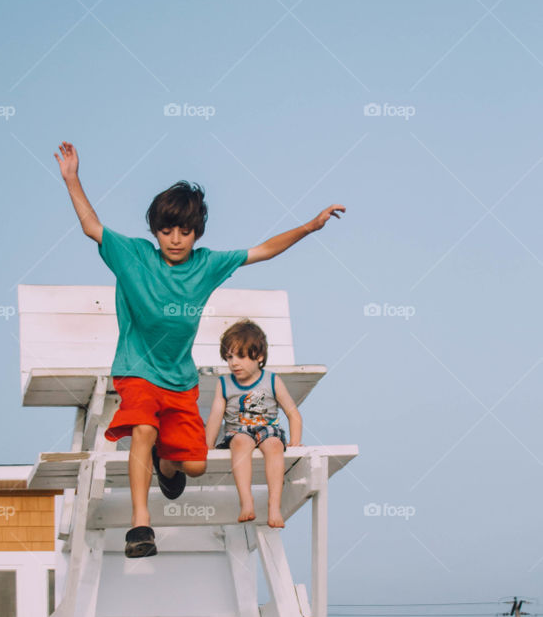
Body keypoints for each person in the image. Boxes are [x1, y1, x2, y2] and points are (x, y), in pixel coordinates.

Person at [54, 140, 345, 558]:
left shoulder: (206, 264)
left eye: (185, 231)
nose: (175, 239)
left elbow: (262, 251)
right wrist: (72, 179)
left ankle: (165, 462)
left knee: (194, 465)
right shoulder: (134, 257)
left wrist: (308, 227)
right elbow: (91, 226)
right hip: (136, 370)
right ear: (154, 231)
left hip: (180, 381)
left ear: (197, 233)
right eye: (166, 230)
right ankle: (141, 526)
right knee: (142, 429)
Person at [204, 319, 301, 526]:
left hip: (268, 429)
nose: (233, 363)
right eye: (229, 357)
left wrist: (295, 441)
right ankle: (246, 501)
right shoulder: (224, 384)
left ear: (259, 356)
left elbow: (293, 413)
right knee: (240, 442)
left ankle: (274, 506)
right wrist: (208, 445)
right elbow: (215, 416)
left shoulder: (272, 380)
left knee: (274, 445)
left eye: (240, 356)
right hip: (237, 431)